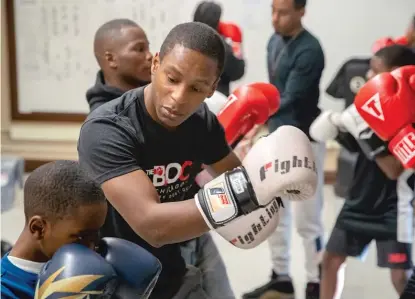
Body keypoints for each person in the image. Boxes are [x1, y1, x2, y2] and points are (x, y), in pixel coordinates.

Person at [77, 21, 318, 299]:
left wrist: (271, 177)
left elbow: (233, 174)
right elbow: (152, 224)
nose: (178, 98)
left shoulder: (201, 121)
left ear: (212, 87)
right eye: (172, 78)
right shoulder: (108, 129)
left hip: (178, 262)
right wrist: (249, 192)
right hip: (123, 279)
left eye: (196, 88)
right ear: (156, 64)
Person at [314, 45, 415, 299]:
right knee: (330, 260)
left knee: (401, 277)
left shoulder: (411, 114)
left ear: (395, 74)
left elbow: (393, 170)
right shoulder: (369, 108)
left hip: (394, 206)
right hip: (360, 197)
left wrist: (367, 134)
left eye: (376, 73)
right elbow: (325, 135)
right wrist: (337, 127)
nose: (369, 79)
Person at [242, 1, 325, 298]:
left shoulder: (310, 49)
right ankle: (281, 277)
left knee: (308, 220)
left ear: (302, 11)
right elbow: (274, 90)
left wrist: (252, 115)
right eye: (273, 11)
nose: (276, 19)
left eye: (284, 12)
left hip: (304, 141)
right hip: (278, 140)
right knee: (274, 210)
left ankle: (317, 282)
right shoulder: (273, 41)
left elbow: (288, 97)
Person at [0, 160, 108, 299]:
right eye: (81, 237)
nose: (92, 249)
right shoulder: (4, 290)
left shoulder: (97, 270)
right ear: (38, 228)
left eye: (95, 236)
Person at [87, 19, 153, 112]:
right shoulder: (104, 119)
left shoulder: (151, 94)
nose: (150, 56)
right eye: (140, 49)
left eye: (148, 48)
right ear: (111, 59)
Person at [193, 1, 245, 96]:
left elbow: (238, 72)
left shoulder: (185, 40)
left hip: (207, 94)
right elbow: (238, 72)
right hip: (211, 95)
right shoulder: (221, 46)